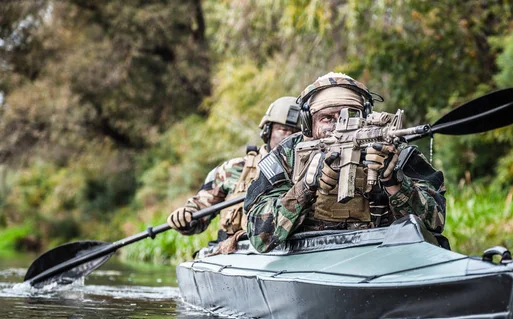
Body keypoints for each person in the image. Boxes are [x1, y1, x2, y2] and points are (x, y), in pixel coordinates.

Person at [244, 72, 446, 253]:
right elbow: (259, 237)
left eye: (350, 115)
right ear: (308, 122)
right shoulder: (288, 154)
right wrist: (304, 188)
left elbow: (435, 224)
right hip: (310, 258)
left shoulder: (395, 152)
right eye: (327, 118)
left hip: (381, 256)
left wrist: (395, 182)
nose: (338, 126)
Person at [167, 97, 301, 251]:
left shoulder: (308, 174)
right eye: (282, 130)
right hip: (235, 252)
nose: (288, 137)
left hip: (285, 252)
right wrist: (186, 216)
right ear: (267, 131)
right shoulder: (234, 169)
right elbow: (199, 212)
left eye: (295, 133)